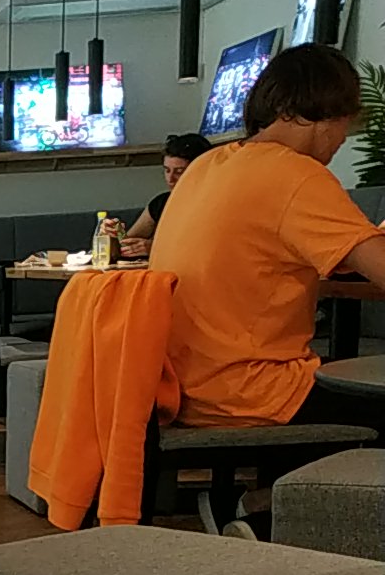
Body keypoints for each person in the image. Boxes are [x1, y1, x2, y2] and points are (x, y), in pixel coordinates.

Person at [149, 44, 385, 434]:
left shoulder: (208, 165)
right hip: (251, 392)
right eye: (346, 124)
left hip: (177, 388)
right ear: (328, 114)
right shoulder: (296, 174)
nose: (343, 138)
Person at [120, 133, 212, 258]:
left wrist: (156, 249)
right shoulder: (161, 203)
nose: (170, 179)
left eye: (179, 172)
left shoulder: (214, 204)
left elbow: (207, 249)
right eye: (167, 170)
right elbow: (126, 245)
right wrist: (113, 235)